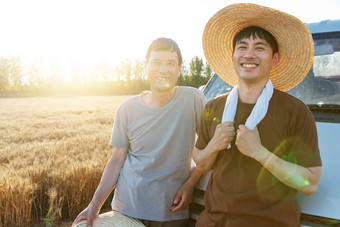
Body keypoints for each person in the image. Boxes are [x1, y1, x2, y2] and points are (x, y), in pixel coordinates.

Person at [193, 3, 322, 227]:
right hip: (214, 221)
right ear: (233, 55)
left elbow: (310, 183)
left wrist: (259, 152)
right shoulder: (213, 107)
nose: (249, 54)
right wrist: (214, 144)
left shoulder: (295, 111)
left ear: (275, 59)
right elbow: (200, 163)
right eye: (242, 47)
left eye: (260, 48)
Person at [72, 37, 206, 227]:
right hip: (127, 210)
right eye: (157, 63)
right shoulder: (127, 109)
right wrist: (94, 205)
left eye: (170, 63)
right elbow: (117, 159)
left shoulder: (194, 99)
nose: (163, 69)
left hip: (172, 212)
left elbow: (210, 146)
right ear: (146, 66)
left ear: (179, 68)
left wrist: (191, 183)